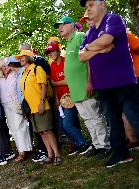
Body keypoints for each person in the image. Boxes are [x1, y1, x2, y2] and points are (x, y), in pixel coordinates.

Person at [79, 0, 139, 168]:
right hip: (103, 85)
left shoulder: (113, 19)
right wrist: (99, 49)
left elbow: (107, 39)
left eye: (91, 4)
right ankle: (121, 154)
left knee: (135, 117)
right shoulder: (89, 33)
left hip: (123, 81)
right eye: (86, 6)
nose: (88, 9)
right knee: (114, 121)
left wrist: (91, 49)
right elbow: (81, 56)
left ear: (103, 4)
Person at [54, 16, 110, 158]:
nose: (60, 28)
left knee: (95, 116)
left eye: (63, 24)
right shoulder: (69, 43)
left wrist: (89, 80)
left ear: (72, 25)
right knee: (87, 119)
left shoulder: (79, 36)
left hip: (85, 86)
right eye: (59, 26)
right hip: (75, 90)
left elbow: (90, 58)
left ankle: (105, 145)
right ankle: (97, 144)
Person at [16, 50, 62, 165]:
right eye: (19, 58)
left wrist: (41, 102)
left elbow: (44, 86)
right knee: (41, 132)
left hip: (40, 105)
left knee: (47, 130)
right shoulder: (24, 72)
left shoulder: (37, 69)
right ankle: (50, 154)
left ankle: (57, 155)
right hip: (31, 108)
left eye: (22, 57)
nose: (20, 59)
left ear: (28, 57)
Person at [45, 43, 89, 155]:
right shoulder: (52, 66)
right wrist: (56, 98)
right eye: (49, 53)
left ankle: (83, 144)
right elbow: (54, 85)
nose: (51, 54)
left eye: (53, 51)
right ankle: (77, 143)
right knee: (61, 125)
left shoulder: (66, 62)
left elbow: (69, 80)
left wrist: (55, 83)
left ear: (58, 51)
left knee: (67, 124)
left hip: (71, 97)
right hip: (61, 100)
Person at [0, 58, 32, 162]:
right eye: (2, 66)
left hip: (16, 103)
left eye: (6, 65)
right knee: (13, 129)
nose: (5, 68)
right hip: (6, 104)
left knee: (20, 126)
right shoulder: (0, 79)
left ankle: (25, 150)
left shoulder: (15, 74)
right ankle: (21, 149)